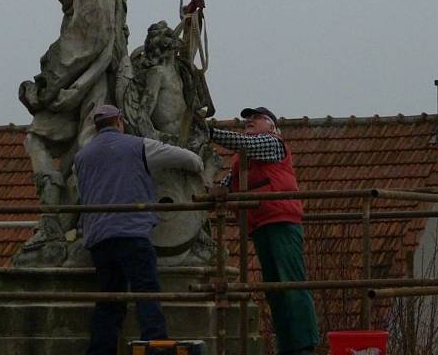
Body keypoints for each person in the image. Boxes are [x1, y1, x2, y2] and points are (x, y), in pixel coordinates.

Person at [75, 104, 205, 355]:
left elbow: (83, 194)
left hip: (98, 237)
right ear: (120, 122)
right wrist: (199, 164)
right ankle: (154, 344)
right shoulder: (138, 146)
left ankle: (101, 350)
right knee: (146, 290)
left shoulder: (82, 157)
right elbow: (187, 158)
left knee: (110, 298)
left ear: (96, 126)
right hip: (131, 232)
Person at [211, 106, 319, 355]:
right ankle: (287, 344)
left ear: (271, 126)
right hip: (260, 224)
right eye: (247, 119)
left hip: (281, 220)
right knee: (274, 289)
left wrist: (209, 132)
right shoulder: (242, 160)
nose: (249, 121)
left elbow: (242, 143)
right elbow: (225, 186)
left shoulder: (271, 143)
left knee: (290, 283)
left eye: (256, 118)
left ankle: (304, 344)